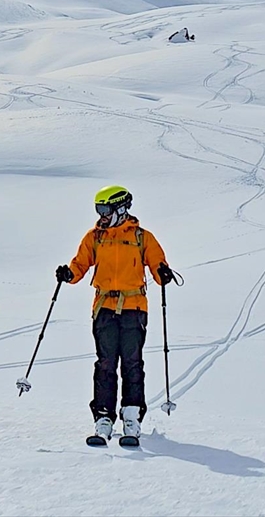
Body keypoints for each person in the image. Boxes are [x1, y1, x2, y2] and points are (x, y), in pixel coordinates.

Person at [55, 186, 173, 443]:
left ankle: (131, 416)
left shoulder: (142, 237)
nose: (101, 215)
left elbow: (157, 263)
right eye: (99, 209)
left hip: (134, 308)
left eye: (105, 209)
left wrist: (162, 273)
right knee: (105, 363)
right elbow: (81, 264)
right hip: (104, 309)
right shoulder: (95, 237)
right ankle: (103, 418)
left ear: (120, 208)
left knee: (132, 364)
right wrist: (69, 274)